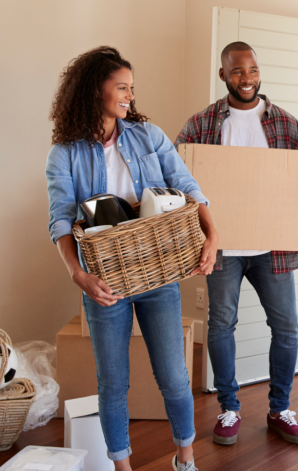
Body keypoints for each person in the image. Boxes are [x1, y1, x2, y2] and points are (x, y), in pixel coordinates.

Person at [46, 46, 219, 471]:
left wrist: (213, 235)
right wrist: (78, 276)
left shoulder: (149, 136)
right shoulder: (64, 153)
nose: (129, 96)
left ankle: (186, 458)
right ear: (94, 91)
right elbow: (60, 220)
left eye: (131, 88)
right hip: (104, 283)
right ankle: (122, 467)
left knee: (175, 377)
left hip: (157, 272)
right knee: (113, 383)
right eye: (121, 87)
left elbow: (186, 185)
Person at [175, 41, 298, 447]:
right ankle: (229, 408)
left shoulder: (285, 124)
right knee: (221, 324)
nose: (246, 79)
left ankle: (279, 409)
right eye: (237, 72)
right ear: (223, 75)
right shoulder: (201, 125)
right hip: (223, 248)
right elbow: (178, 179)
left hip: (273, 248)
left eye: (251, 70)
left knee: (286, 328)